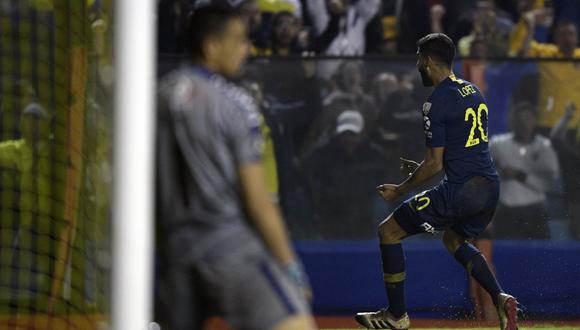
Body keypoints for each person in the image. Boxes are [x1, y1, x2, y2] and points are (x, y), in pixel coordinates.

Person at [156, 6, 316, 330]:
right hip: (227, 245)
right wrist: (290, 266)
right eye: (239, 40)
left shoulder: (157, 97)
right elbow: (258, 200)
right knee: (297, 323)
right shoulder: (234, 102)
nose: (246, 48)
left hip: (175, 251)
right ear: (211, 46)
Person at [354, 33, 518, 330]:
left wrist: (400, 190)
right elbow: (459, 155)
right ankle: (500, 296)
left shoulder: (435, 103)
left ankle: (396, 316)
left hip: (461, 191)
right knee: (453, 239)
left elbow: (435, 163)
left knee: (388, 231)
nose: (418, 65)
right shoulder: (473, 90)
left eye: (419, 58)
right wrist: (422, 170)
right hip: (488, 188)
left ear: (428, 60)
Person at [490, 102, 559, 240]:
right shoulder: (498, 144)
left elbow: (552, 184)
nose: (523, 124)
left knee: (539, 256)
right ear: (512, 121)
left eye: (527, 119)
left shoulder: (544, 147)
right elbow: (480, 173)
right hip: (506, 211)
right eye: (519, 119)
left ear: (534, 121)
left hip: (536, 211)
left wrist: (520, 175)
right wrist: (499, 175)